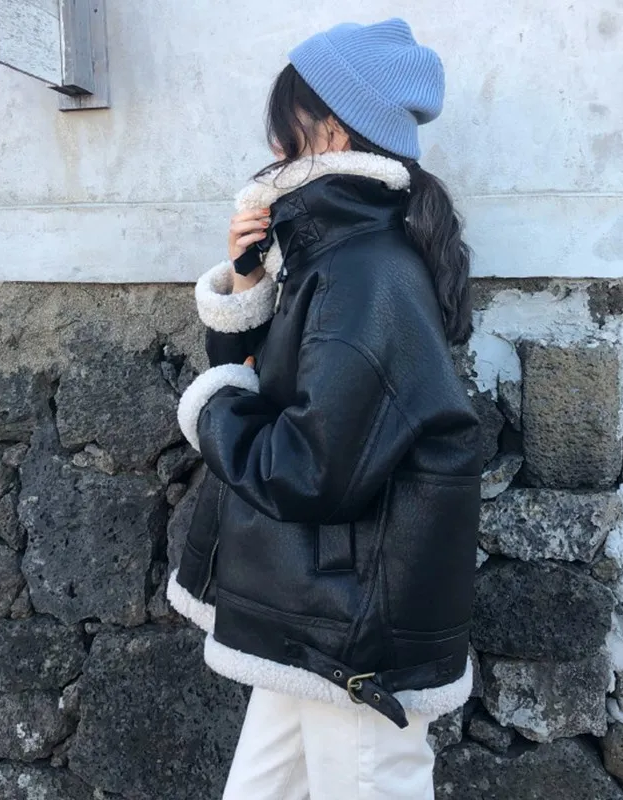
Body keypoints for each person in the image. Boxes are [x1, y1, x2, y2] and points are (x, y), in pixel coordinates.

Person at [168, 17, 482, 799]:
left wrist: (210, 409)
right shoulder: (334, 259)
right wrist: (248, 288)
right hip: (313, 605)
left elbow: (308, 468)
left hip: (349, 622)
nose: (274, 149)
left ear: (333, 133)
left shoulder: (365, 273)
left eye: (287, 129)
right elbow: (280, 388)